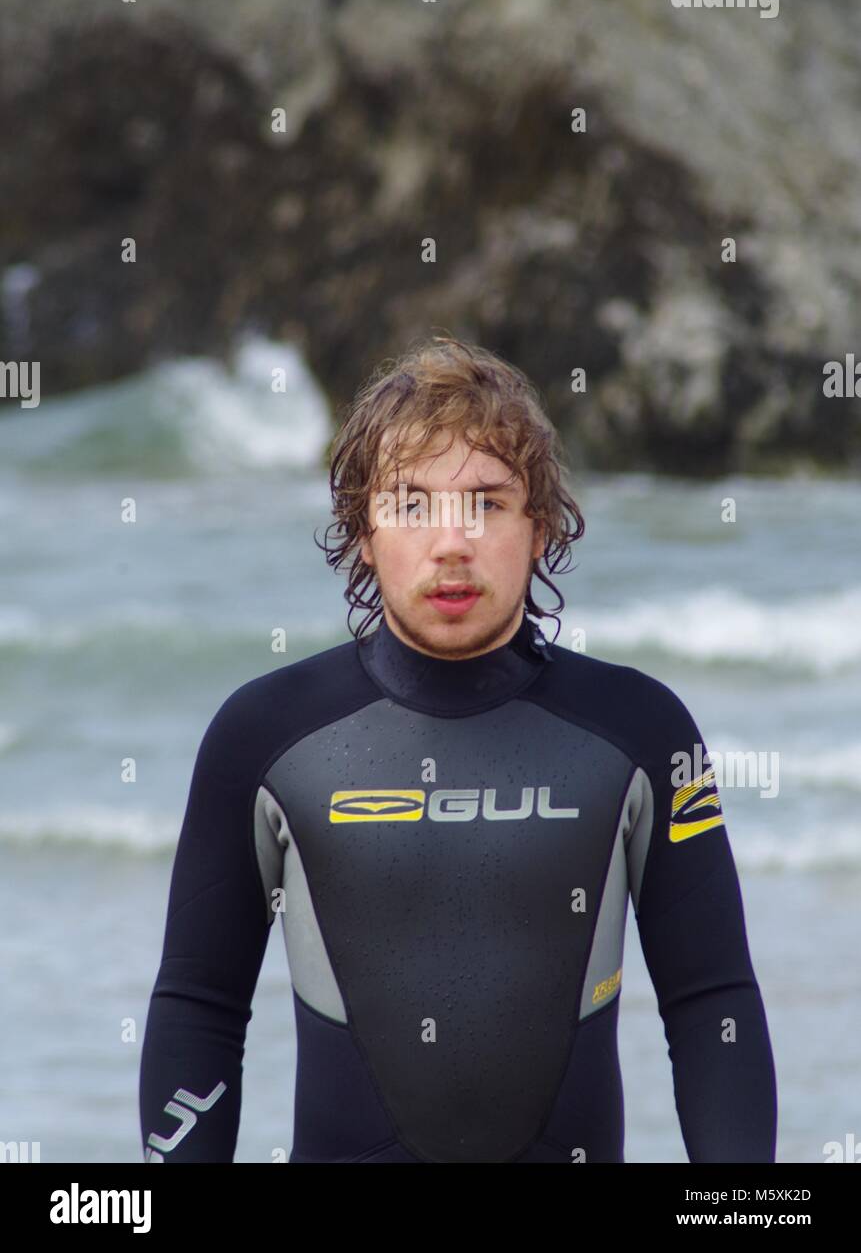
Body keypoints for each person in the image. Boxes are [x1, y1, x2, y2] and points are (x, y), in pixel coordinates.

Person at [139, 336, 777, 1163]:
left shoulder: (642, 732)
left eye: (485, 502)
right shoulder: (264, 736)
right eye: (410, 503)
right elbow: (200, 1004)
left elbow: (709, 1002)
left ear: (538, 527)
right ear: (362, 530)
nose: (451, 543)